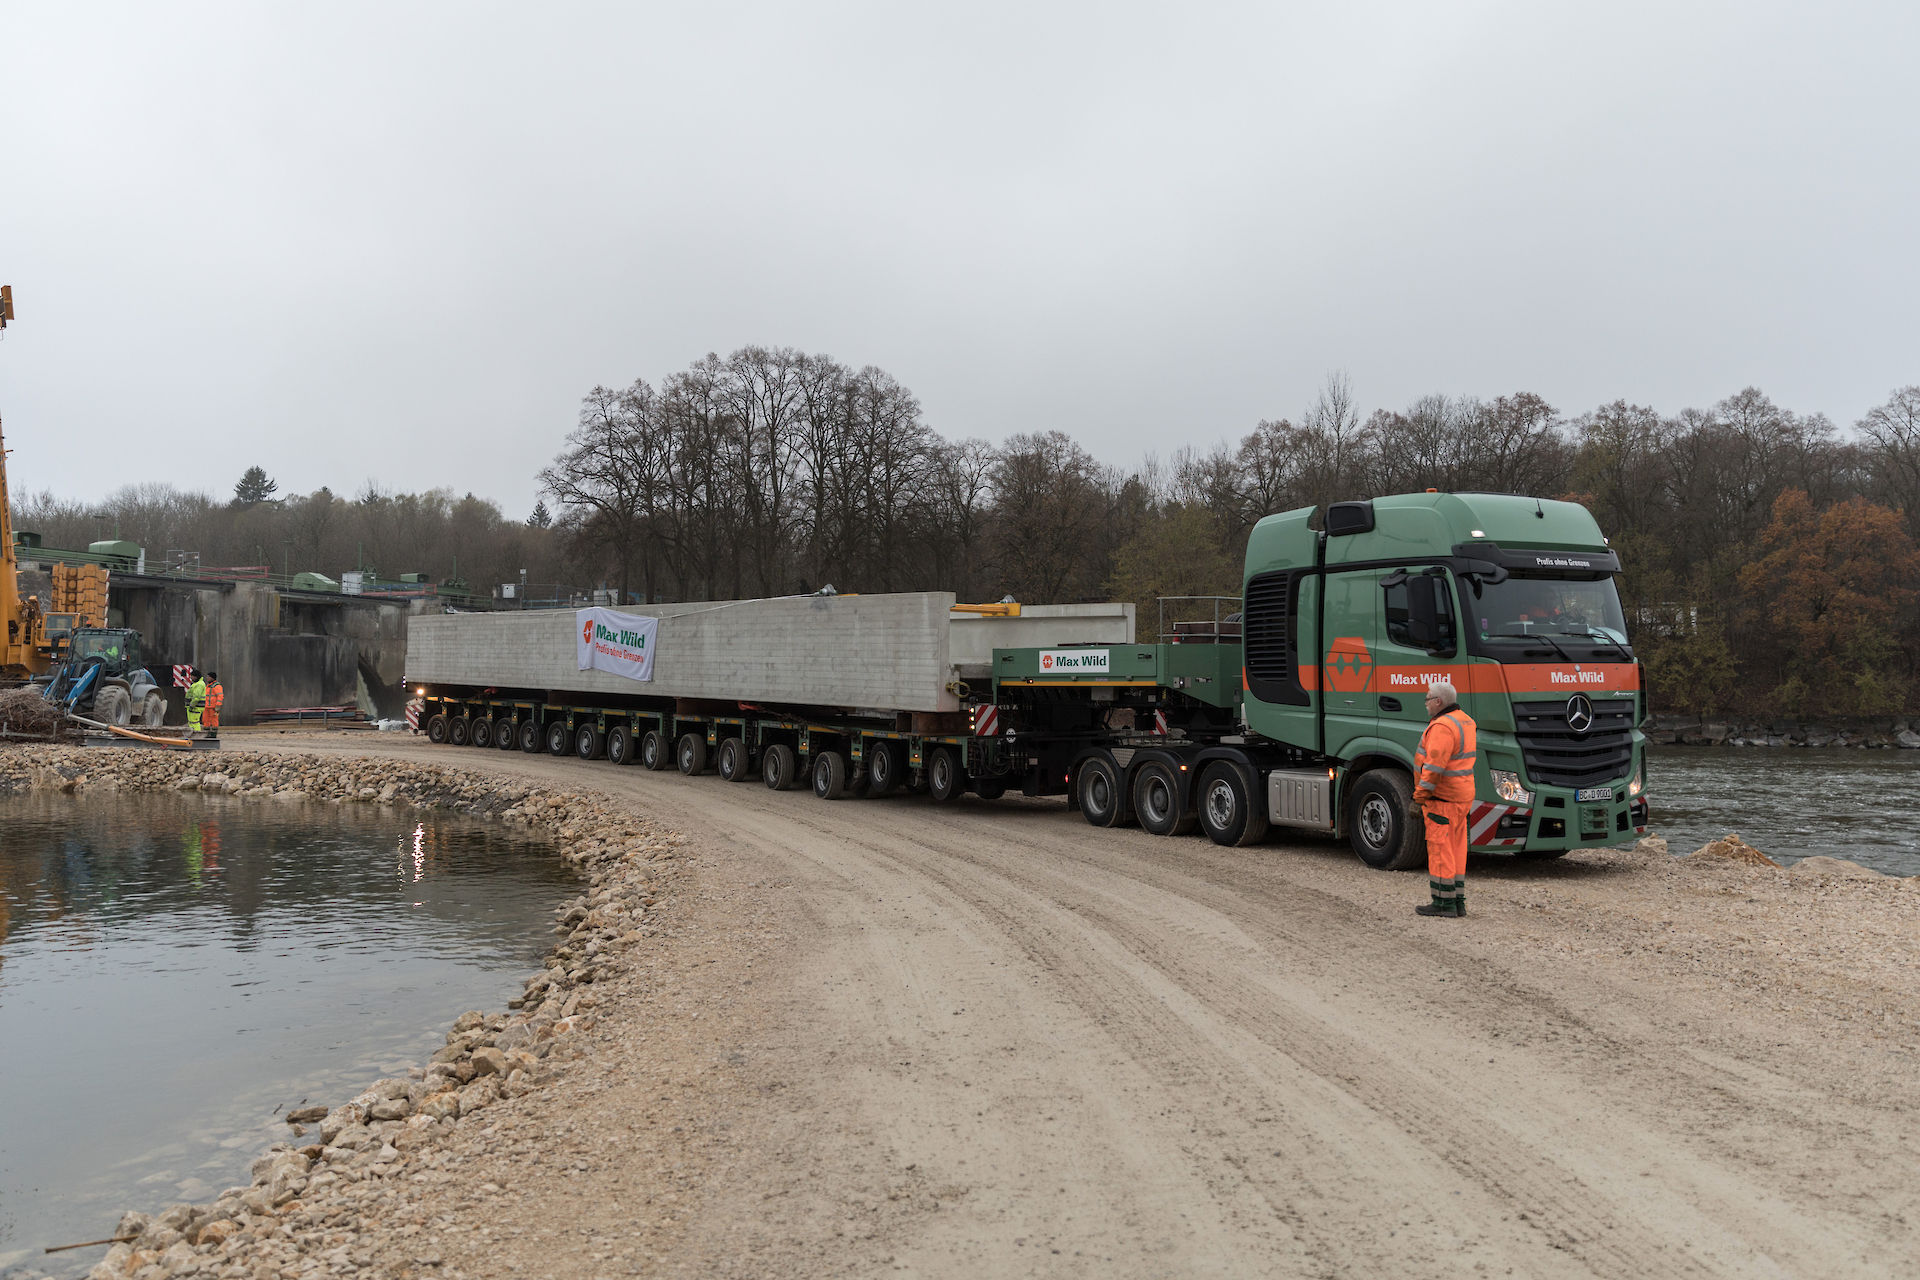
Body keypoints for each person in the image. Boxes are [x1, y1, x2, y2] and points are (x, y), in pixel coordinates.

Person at [1413, 678, 1477, 918]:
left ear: (1438, 702)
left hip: (1442, 799)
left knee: (1440, 850)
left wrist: (1419, 797)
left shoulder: (1442, 727)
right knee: (1457, 849)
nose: (1425, 703)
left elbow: (1433, 768)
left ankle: (1443, 903)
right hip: (1461, 797)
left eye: (1428, 699)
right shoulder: (1465, 721)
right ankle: (1457, 901)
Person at [203, 671, 224, 739]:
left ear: (212, 678)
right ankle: (207, 733)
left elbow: (220, 696)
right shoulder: (208, 686)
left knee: (214, 720)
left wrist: (218, 706)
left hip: (213, 707)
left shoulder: (217, 686)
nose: (207, 678)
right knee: (206, 720)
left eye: (208, 677)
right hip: (207, 707)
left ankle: (213, 734)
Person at [186, 669, 207, 733]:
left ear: (195, 676)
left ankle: (196, 735)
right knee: (192, 722)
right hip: (195, 707)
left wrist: (192, 706)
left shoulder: (199, 684)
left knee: (194, 722)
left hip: (195, 707)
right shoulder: (197, 684)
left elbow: (196, 697)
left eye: (191, 676)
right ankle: (193, 734)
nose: (190, 677)